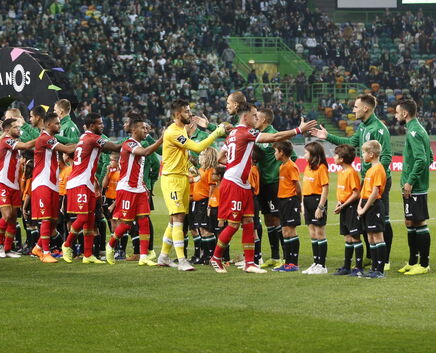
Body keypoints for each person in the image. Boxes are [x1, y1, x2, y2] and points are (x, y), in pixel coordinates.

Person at [209, 102, 316, 274]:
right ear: (245, 117)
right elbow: (274, 137)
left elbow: (221, 157)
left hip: (243, 183)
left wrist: (234, 164)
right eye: (254, 115)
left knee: (249, 222)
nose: (256, 118)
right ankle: (216, 257)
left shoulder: (233, 133)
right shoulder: (246, 131)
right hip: (234, 184)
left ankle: (250, 263)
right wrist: (298, 130)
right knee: (234, 224)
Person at [312, 94, 393, 269]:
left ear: (366, 108)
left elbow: (386, 157)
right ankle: (372, 256)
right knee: (366, 218)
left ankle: (384, 260)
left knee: (382, 220)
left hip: (378, 181)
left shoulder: (379, 129)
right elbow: (350, 142)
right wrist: (327, 136)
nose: (353, 110)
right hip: (366, 180)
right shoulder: (363, 127)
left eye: (356, 107)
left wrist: (373, 175)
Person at [158, 99, 226, 271]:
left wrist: (190, 169)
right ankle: (182, 261)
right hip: (172, 179)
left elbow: (183, 155)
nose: (190, 114)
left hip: (182, 177)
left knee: (175, 219)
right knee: (179, 217)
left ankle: (163, 256)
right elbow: (197, 148)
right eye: (187, 111)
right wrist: (217, 132)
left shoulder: (182, 129)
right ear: (177, 114)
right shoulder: (173, 132)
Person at [61, 113, 121, 264]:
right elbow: (114, 147)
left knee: (90, 219)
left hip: (86, 183)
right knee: (82, 218)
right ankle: (67, 245)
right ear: (92, 125)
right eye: (99, 123)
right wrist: (131, 140)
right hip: (79, 183)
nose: (102, 126)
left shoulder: (84, 137)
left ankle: (88, 255)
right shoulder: (93, 138)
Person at [105, 118, 163, 265]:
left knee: (144, 221)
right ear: (134, 130)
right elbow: (145, 152)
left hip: (139, 189)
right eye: (143, 128)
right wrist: (161, 139)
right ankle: (110, 246)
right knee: (126, 224)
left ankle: (143, 257)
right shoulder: (129, 143)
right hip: (127, 189)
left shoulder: (137, 144)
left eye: (147, 128)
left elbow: (138, 169)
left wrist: (144, 186)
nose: (146, 130)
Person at [31, 112, 77, 263]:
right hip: (42, 183)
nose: (59, 125)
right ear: (48, 124)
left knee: (53, 220)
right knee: (46, 218)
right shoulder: (45, 138)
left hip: (52, 183)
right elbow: (68, 150)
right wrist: (84, 143)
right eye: (57, 123)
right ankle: (45, 253)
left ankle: (38, 247)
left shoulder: (52, 139)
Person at [396, 99, 433, 276]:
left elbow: (422, 159)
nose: (396, 116)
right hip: (413, 185)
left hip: (414, 187)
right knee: (410, 222)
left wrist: (411, 181)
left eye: (397, 112)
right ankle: (412, 262)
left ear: (405, 113)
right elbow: (430, 156)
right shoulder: (417, 129)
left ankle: (424, 264)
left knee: (419, 222)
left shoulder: (414, 132)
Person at [0, 117, 39, 258]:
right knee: (6, 215)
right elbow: (26, 146)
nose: (19, 129)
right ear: (7, 130)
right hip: (2, 183)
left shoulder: (13, 142)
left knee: (13, 218)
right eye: (15, 127)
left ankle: (8, 248)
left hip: (14, 185)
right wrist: (42, 138)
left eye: (19, 127)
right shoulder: (6, 141)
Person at [254, 107, 283, 269]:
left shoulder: (274, 136)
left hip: (273, 183)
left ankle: (285, 257)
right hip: (261, 184)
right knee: (268, 220)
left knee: (276, 218)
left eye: (257, 117)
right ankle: (274, 256)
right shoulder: (257, 135)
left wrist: (276, 172)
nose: (254, 119)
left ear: (264, 120)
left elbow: (291, 156)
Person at [357, 140, 388, 278]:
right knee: (370, 237)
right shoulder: (369, 170)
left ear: (372, 154)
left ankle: (379, 270)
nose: (362, 155)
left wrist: (364, 209)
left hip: (374, 205)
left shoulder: (379, 169)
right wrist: (360, 205)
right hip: (366, 204)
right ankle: (374, 267)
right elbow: (364, 189)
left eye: (364, 152)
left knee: (377, 236)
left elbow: (375, 193)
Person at [332, 144, 363, 277]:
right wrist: (339, 203)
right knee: (347, 237)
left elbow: (356, 193)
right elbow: (344, 191)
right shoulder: (341, 172)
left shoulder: (351, 172)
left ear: (342, 159)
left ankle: (359, 268)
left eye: (336, 155)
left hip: (351, 207)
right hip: (344, 206)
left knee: (355, 237)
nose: (333, 157)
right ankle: (346, 266)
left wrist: (343, 205)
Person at [273, 141, 302, 273]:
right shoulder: (282, 166)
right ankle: (287, 262)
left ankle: (293, 263)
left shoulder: (291, 166)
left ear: (282, 152)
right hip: (282, 200)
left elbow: (297, 187)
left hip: (290, 200)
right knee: (285, 231)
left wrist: (299, 202)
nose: (274, 153)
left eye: (276, 151)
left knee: (291, 230)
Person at [301, 141, 330, 275]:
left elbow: (325, 189)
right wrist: (302, 204)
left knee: (319, 232)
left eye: (306, 153)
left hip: (317, 200)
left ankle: (322, 265)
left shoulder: (321, 167)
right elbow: (305, 186)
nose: (304, 155)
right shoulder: (308, 166)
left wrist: (320, 207)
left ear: (313, 154)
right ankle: (316, 262)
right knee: (312, 233)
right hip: (307, 200)